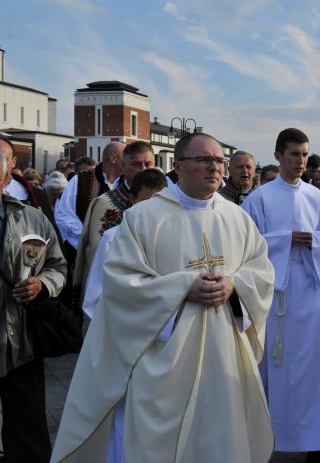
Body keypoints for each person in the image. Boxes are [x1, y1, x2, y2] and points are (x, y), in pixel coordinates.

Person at [52, 132, 275, 463]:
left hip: (223, 352)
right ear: (179, 166)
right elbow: (121, 285)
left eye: (218, 161)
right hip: (163, 357)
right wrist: (184, 287)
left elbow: (261, 272)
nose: (214, 167)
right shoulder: (144, 218)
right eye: (203, 160)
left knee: (220, 439)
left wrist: (234, 286)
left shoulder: (238, 218)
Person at [242, 128, 320, 462]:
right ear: (278, 155)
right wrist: (285, 239)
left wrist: (314, 242)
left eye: (305, 154)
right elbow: (248, 247)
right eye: (294, 154)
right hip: (276, 293)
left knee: (314, 368)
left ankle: (315, 443)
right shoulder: (260, 198)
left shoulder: (318, 198)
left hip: (310, 290)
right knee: (275, 364)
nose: (301, 161)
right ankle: (269, 438)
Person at [0, 151, 67, 463]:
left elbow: (58, 266)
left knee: (27, 430)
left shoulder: (31, 217)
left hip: (21, 340)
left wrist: (43, 285)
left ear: (10, 167)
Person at [73, 141, 156, 305]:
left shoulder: (167, 202)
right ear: (123, 166)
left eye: (148, 164)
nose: (143, 170)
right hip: (109, 295)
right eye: (136, 164)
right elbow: (94, 254)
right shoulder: (103, 204)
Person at [81, 168, 168, 321]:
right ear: (132, 199)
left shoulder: (174, 235)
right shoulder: (112, 238)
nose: (153, 209)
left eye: (160, 201)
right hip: (123, 323)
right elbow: (95, 296)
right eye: (146, 202)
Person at [55, 142, 125, 263]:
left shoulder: (129, 183)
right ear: (113, 158)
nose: (128, 162)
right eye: (126, 157)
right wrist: (89, 243)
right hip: (85, 255)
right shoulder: (81, 180)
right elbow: (64, 215)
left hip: (121, 255)